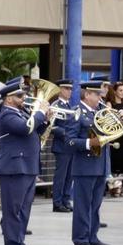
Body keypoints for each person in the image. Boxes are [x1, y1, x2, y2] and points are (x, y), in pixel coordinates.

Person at [0, 79, 47, 245]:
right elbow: (25, 129)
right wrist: (40, 112)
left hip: (27, 166)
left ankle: (19, 243)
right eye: (19, 96)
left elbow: (37, 130)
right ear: (8, 99)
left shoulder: (21, 112)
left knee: (24, 209)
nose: (23, 98)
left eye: (23, 95)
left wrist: (46, 118)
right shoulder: (6, 114)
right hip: (14, 167)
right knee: (13, 210)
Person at [64, 81, 113, 245]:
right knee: (83, 205)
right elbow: (69, 141)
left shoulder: (100, 112)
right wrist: (88, 142)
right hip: (85, 166)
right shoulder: (77, 113)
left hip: (100, 164)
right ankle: (81, 238)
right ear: (87, 95)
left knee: (96, 205)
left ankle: (93, 236)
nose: (100, 97)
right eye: (97, 94)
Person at [51, 79, 74, 212]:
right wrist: (64, 132)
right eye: (66, 88)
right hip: (61, 145)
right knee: (61, 176)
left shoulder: (69, 106)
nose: (69, 91)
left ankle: (66, 200)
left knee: (69, 176)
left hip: (70, 146)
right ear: (60, 90)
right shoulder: (56, 104)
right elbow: (51, 125)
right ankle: (57, 202)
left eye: (70, 89)